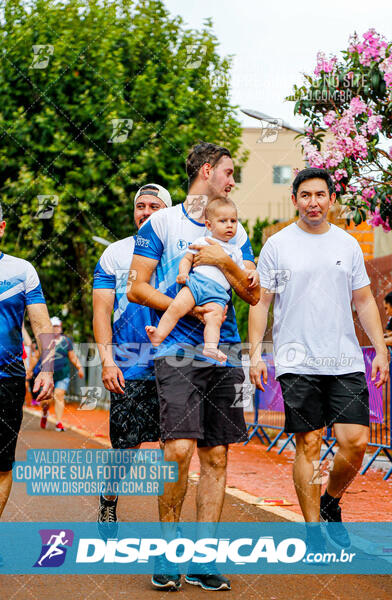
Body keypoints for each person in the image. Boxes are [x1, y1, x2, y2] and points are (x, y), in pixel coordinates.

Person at [128, 143, 260, 591]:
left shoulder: (233, 228)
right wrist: (187, 310)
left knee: (217, 456)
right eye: (228, 172)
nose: (232, 180)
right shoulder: (162, 222)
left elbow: (253, 293)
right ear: (208, 171)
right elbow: (135, 289)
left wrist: (225, 259)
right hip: (177, 354)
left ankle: (204, 557)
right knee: (179, 450)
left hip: (223, 351)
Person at [249, 167, 389, 554]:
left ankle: (330, 500)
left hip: (344, 360)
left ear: (331, 200)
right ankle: (313, 532)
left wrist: (379, 350)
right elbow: (261, 301)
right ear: (294, 200)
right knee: (308, 443)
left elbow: (363, 300)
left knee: (355, 442)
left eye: (320, 195)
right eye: (305, 195)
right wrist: (257, 352)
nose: (313, 202)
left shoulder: (346, 244)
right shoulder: (278, 245)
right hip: (297, 361)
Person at [93, 183, 171, 538]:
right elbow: (101, 311)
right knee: (126, 448)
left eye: (154, 205)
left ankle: (171, 529)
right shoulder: (115, 253)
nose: (145, 211)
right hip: (130, 362)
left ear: (166, 211)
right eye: (141, 205)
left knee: (178, 449)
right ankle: (109, 498)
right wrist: (108, 361)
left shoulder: (181, 249)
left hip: (175, 362)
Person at [0, 197, 53, 567]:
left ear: (0, 227)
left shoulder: (21, 270)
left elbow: (41, 324)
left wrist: (45, 368)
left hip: (5, 381)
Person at [146, 197, 259, 362]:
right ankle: (159, 334)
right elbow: (187, 259)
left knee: (214, 320)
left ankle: (211, 347)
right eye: (223, 221)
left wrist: (253, 274)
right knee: (176, 307)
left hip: (218, 295)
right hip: (196, 285)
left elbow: (243, 272)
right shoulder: (203, 241)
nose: (229, 225)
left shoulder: (236, 252)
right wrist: (183, 273)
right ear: (209, 225)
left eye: (233, 221)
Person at [33, 316, 84, 431]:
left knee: (59, 395)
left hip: (63, 374)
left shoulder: (66, 341)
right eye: (53, 326)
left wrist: (79, 368)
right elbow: (36, 356)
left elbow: (72, 356)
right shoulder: (43, 340)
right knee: (46, 401)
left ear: (60, 327)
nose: (56, 329)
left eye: (57, 326)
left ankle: (59, 422)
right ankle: (45, 413)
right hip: (47, 376)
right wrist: (29, 370)